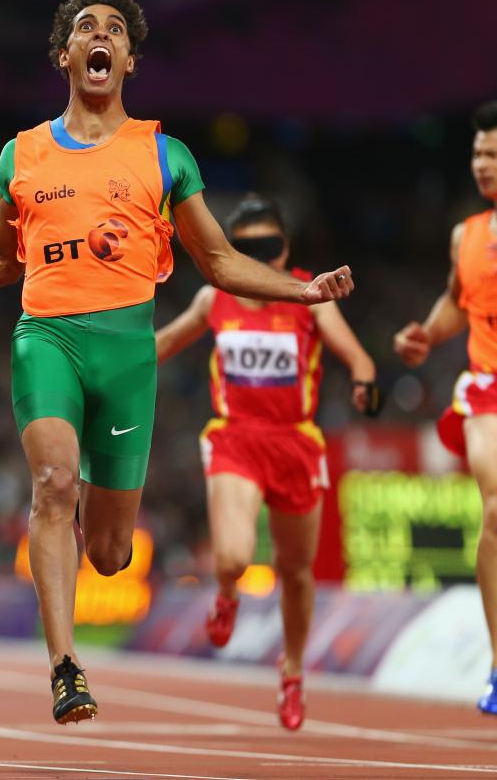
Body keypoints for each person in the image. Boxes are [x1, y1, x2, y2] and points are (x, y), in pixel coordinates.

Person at [0, 0, 355, 724]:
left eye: (115, 30)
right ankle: (65, 665)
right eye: (86, 27)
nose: (101, 36)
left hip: (127, 356)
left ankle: (93, 505)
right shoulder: (21, 154)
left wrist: (301, 291)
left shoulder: (163, 154)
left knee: (112, 553)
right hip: (47, 338)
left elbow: (216, 260)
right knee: (53, 483)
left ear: (127, 60)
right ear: (65, 56)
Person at [154, 195, 379, 730]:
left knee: (296, 570)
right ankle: (227, 594)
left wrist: (367, 382)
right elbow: (161, 345)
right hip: (236, 439)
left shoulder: (312, 295)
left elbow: (358, 355)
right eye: (248, 248)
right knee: (231, 557)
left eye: (270, 246)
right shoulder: (215, 298)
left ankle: (293, 673)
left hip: (296, 445)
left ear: (285, 248)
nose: (263, 257)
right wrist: (107, 361)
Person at [394, 99, 497, 717]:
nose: (481, 163)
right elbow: (456, 300)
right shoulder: (467, 234)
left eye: (493, 152)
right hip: (491, 386)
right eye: (475, 153)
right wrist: (426, 332)